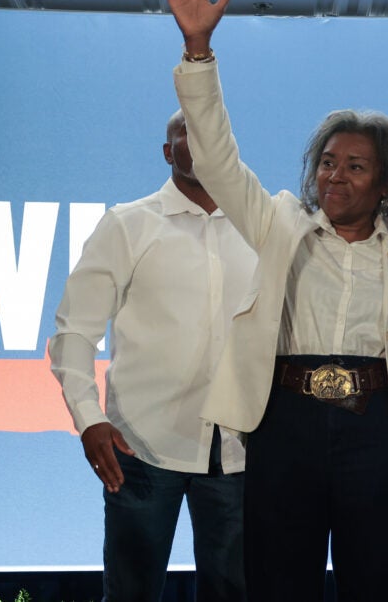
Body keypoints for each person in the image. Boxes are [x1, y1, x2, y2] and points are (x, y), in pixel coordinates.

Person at [156, 0, 388, 600]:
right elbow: (217, 159)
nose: (335, 177)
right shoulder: (279, 224)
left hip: (375, 436)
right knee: (277, 587)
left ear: (386, 184)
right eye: (327, 163)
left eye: (355, 166)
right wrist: (197, 52)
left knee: (377, 588)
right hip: (286, 429)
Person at [49, 109, 256, 601]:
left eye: (215, 130)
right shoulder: (127, 225)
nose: (203, 139)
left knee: (235, 592)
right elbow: (73, 332)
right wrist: (88, 419)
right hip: (140, 447)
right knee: (130, 593)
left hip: (240, 449)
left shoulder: (261, 227)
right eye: (186, 131)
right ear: (168, 152)